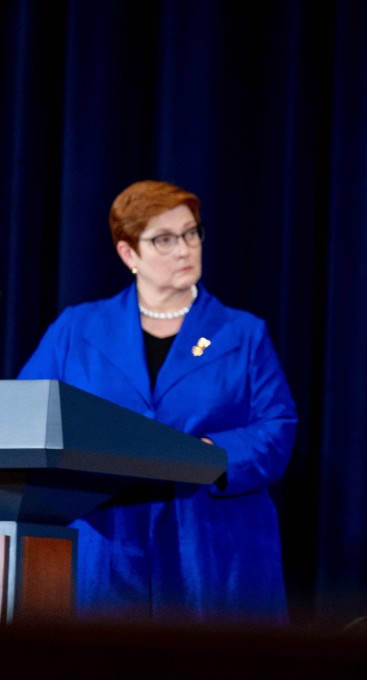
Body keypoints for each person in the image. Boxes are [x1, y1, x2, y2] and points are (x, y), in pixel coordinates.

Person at [19, 180, 298, 625]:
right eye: (164, 240)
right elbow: (25, 419)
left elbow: (277, 427)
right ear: (129, 254)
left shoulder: (242, 333)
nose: (185, 249)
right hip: (105, 542)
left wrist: (209, 454)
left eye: (191, 233)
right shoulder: (77, 328)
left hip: (209, 543)